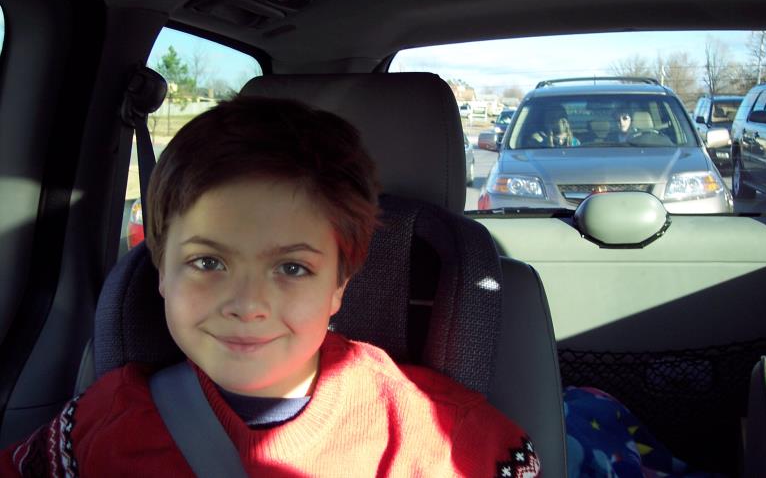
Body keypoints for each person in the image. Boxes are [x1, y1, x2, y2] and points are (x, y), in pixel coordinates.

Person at [1, 96, 540, 477]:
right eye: (208, 262)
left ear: (339, 285)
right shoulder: (101, 423)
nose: (247, 305)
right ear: (161, 270)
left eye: (292, 268)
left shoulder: (432, 431)